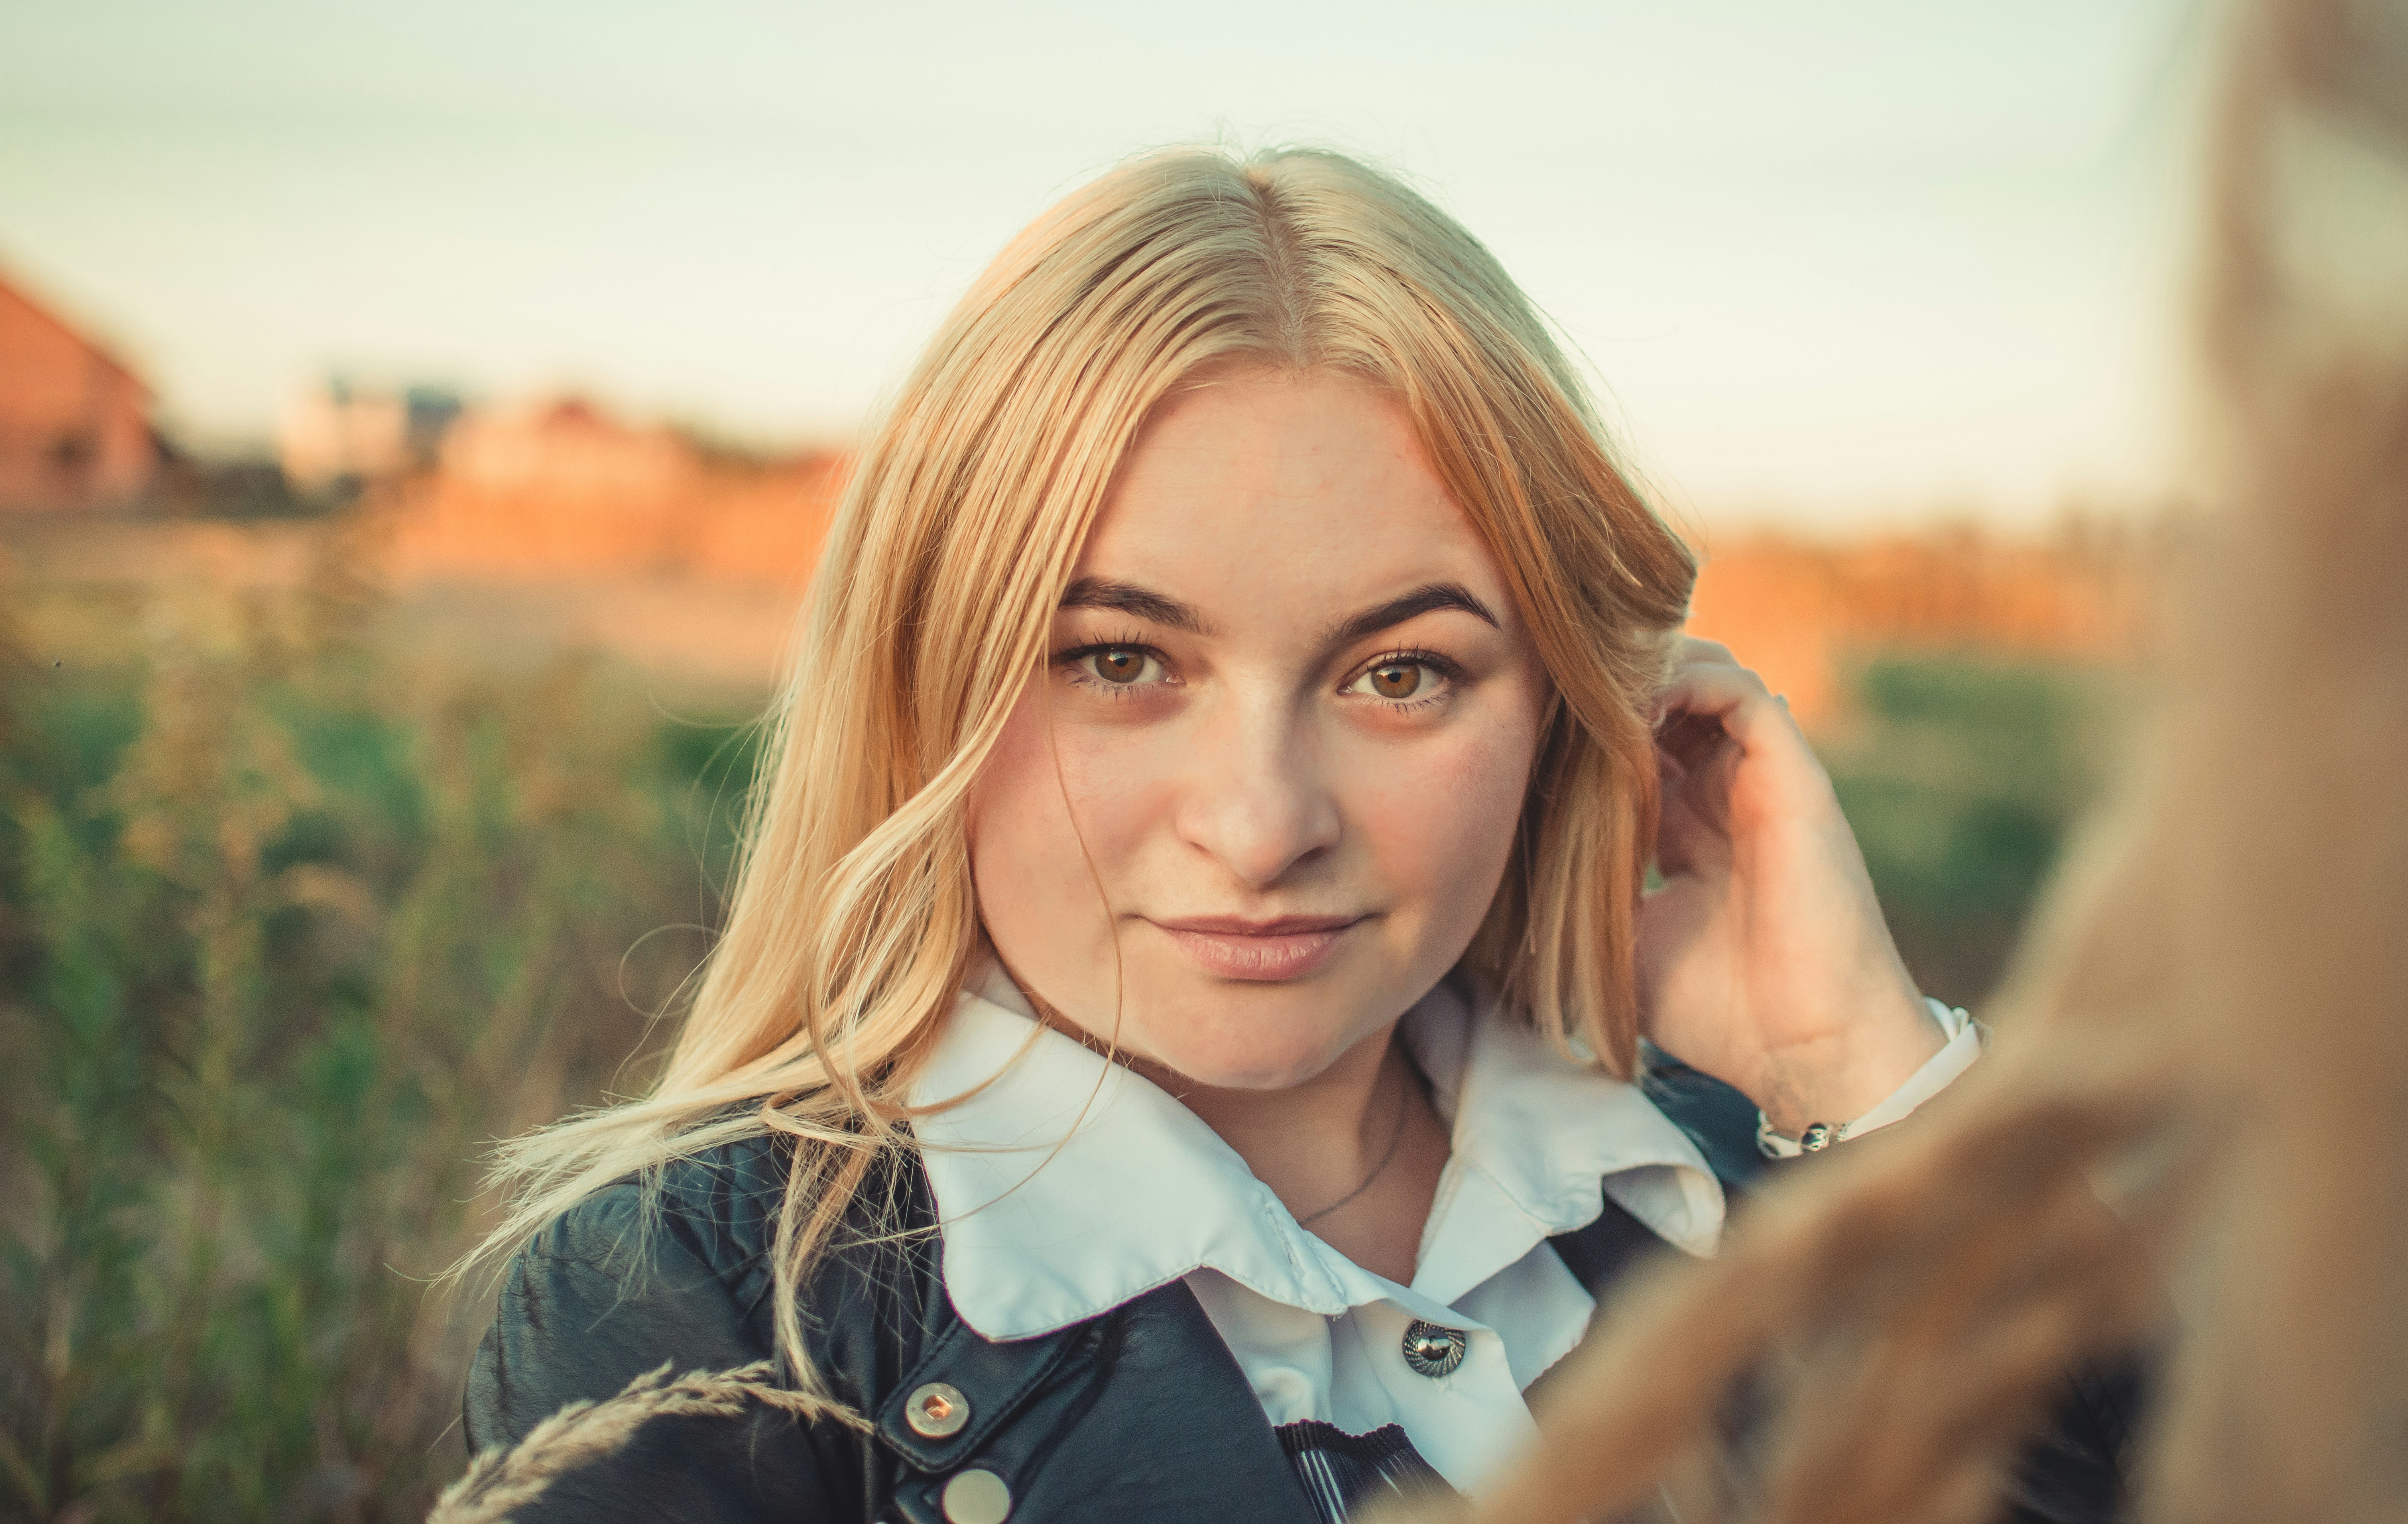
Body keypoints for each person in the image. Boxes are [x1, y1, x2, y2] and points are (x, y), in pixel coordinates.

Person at [459, 147, 2128, 1524]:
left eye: (1402, 672)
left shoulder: (1758, 1184)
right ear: (927, 684)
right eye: (1121, 662)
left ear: (1564, 706)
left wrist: (1873, 1086)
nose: (1262, 825)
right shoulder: (695, 1294)